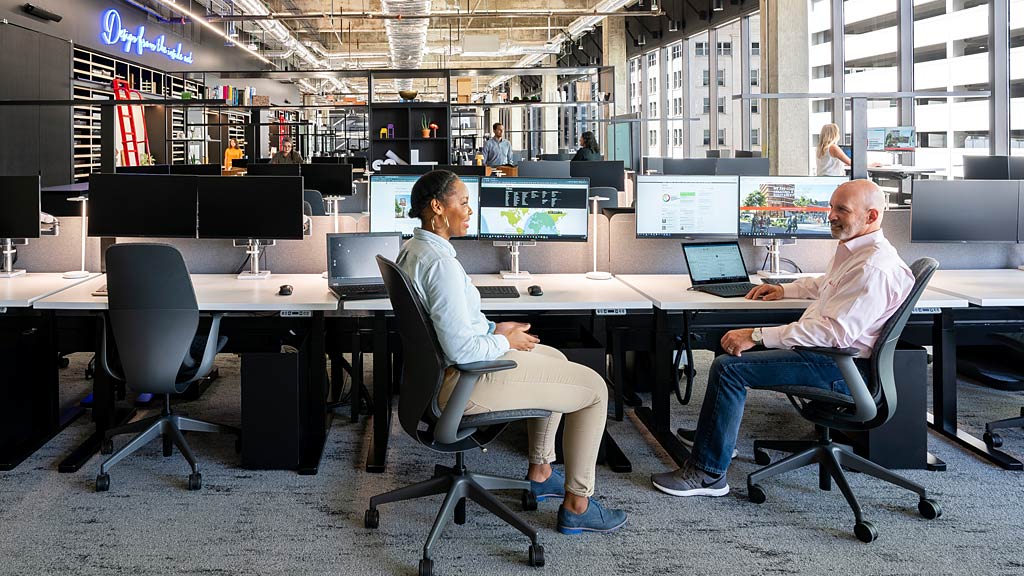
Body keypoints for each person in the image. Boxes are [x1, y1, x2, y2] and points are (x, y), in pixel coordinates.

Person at [651, 179, 913, 498]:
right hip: (829, 357)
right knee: (728, 341)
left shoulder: (874, 267)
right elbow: (827, 285)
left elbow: (834, 333)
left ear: (871, 216)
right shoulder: (858, 251)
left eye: (841, 209)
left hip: (839, 368)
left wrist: (758, 335)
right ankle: (715, 436)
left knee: (728, 368)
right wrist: (785, 290)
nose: (830, 215)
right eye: (830, 207)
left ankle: (708, 473)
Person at [398, 170, 627, 534]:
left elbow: (452, 323)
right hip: (466, 382)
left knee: (554, 359)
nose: (470, 209)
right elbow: (462, 349)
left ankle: (541, 471)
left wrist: (495, 329)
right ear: (438, 207)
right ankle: (578, 505)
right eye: (464, 201)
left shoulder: (416, 248)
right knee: (596, 390)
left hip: (444, 376)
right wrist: (505, 342)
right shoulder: (440, 264)